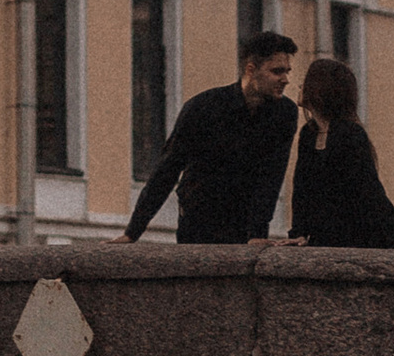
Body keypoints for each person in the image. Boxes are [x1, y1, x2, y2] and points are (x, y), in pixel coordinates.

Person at [125, 27, 299, 241]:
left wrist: (257, 233)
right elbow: (168, 168)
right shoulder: (204, 107)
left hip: (242, 224)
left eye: (287, 71)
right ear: (251, 69)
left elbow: (272, 177)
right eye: (277, 71)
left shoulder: (285, 113)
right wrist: (133, 232)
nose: (285, 79)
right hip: (199, 221)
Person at [285, 55, 394, 247]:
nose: (300, 86)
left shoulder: (350, 134)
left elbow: (370, 190)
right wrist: (298, 233)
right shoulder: (309, 133)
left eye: (306, 82)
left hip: (359, 237)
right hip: (324, 238)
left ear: (319, 88)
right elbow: (302, 189)